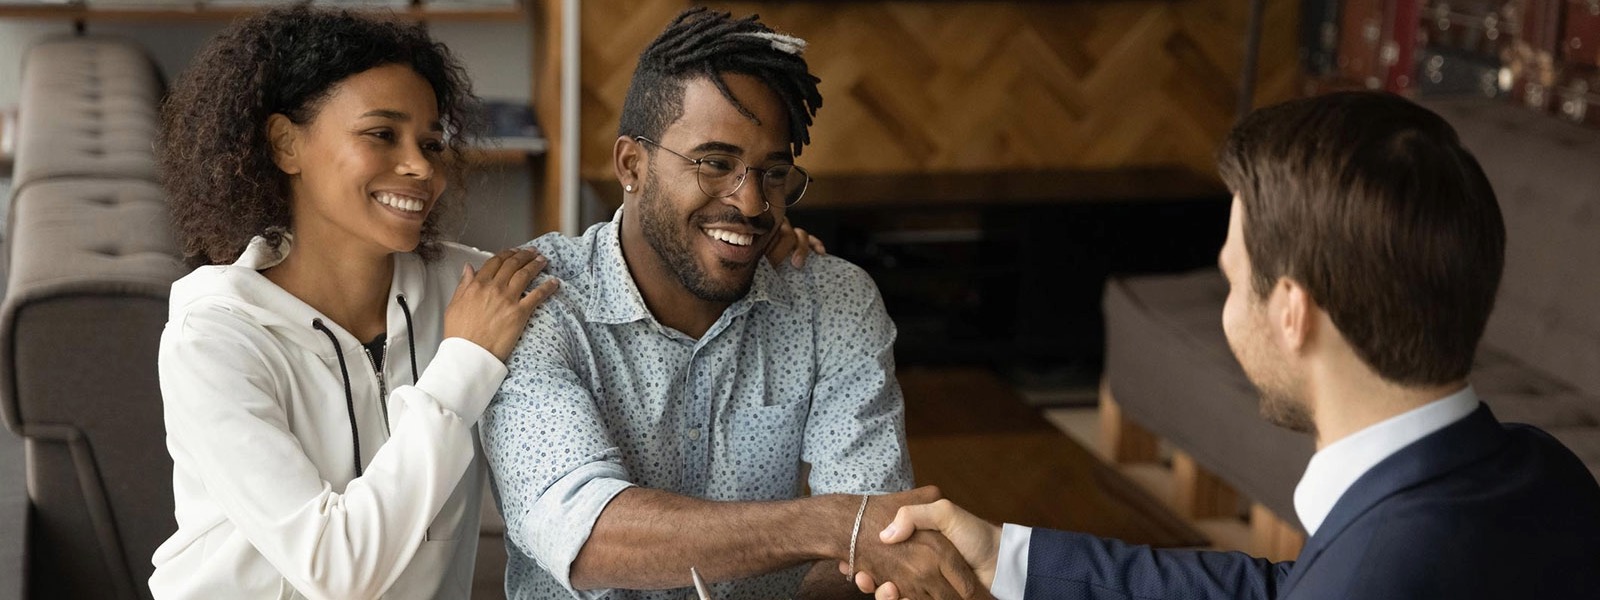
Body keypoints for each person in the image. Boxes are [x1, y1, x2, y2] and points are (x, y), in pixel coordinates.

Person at [861, 92, 1600, 599]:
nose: (1225, 311)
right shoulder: (1545, 472)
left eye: (1232, 283)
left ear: (1291, 312)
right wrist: (1008, 562)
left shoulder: (1378, 570)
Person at [480, 8, 980, 600]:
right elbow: (585, 535)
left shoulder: (833, 304)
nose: (751, 204)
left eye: (773, 172)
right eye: (715, 164)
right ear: (632, 165)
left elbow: (872, 547)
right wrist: (833, 525)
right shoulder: (534, 301)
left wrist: (849, 546)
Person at [149, 7, 558, 598]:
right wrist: (464, 363)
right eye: (381, 134)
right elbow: (333, 568)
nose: (421, 167)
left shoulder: (469, 291)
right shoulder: (214, 337)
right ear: (287, 144)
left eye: (432, 141)